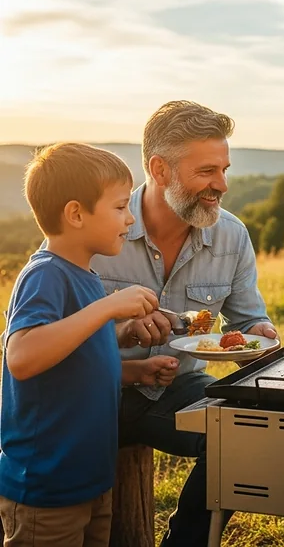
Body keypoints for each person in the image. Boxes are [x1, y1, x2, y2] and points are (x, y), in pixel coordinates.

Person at [91, 101, 278, 547]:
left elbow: (249, 320)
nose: (222, 185)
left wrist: (259, 336)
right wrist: (121, 339)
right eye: (207, 172)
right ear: (159, 169)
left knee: (241, 435)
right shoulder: (95, 230)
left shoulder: (231, 236)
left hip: (174, 392)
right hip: (92, 391)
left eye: (225, 170)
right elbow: (44, 335)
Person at [0, 143, 177, 547]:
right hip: (47, 489)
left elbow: (74, 357)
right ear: (76, 213)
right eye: (119, 207)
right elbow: (22, 357)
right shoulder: (45, 275)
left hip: (91, 480)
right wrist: (110, 308)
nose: (130, 219)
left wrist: (131, 368)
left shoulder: (86, 276)